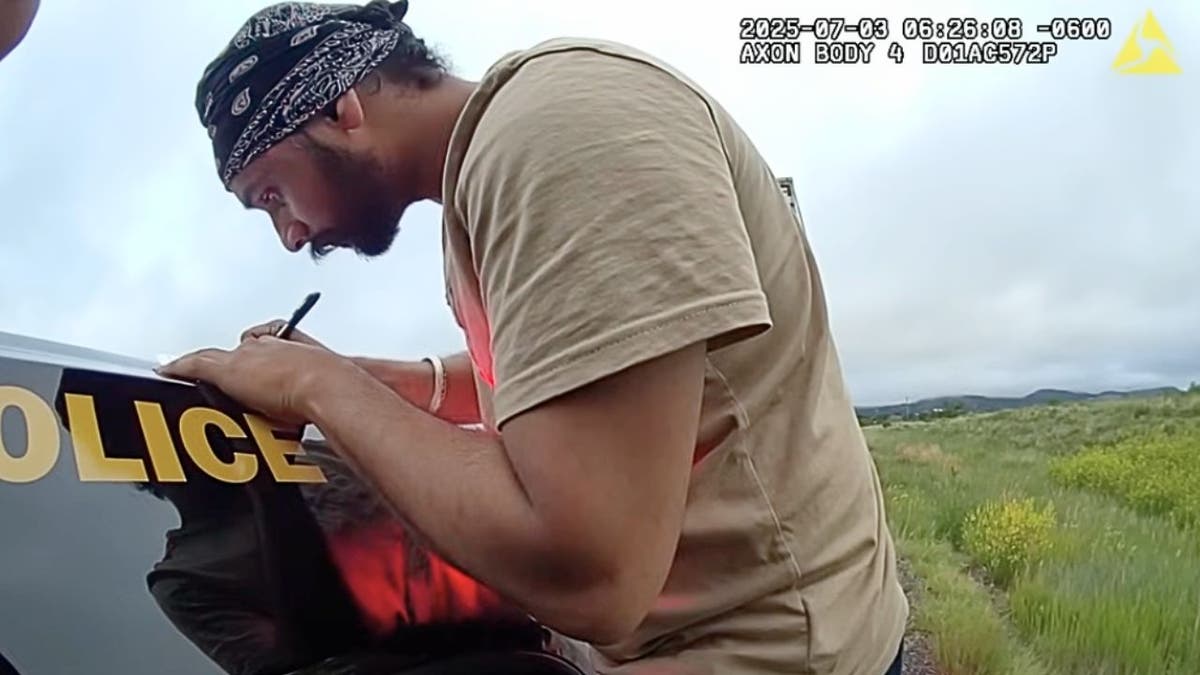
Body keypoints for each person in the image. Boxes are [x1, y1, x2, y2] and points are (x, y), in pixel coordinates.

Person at [159, 1, 909, 673]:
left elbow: (591, 575)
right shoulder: (487, 183)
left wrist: (319, 387)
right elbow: (566, 367)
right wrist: (395, 380)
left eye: (269, 194)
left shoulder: (556, 140)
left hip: (779, 650)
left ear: (339, 108)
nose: (289, 235)